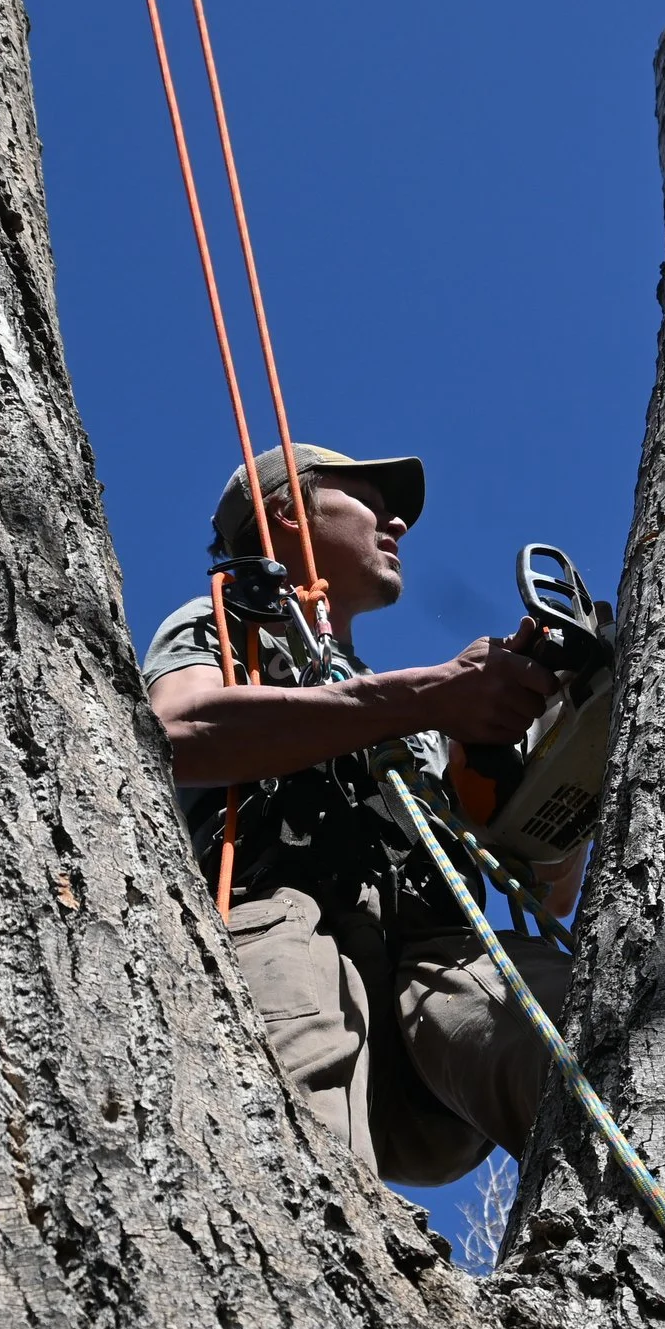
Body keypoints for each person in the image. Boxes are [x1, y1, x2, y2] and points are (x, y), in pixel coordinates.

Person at [142, 445, 580, 1185]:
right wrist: (433, 696)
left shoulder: (414, 719)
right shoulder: (227, 626)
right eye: (370, 499)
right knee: (293, 1083)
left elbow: (551, 889)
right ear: (287, 510)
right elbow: (180, 731)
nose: (398, 519)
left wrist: (544, 754)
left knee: (579, 1024)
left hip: (432, 987)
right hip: (285, 926)